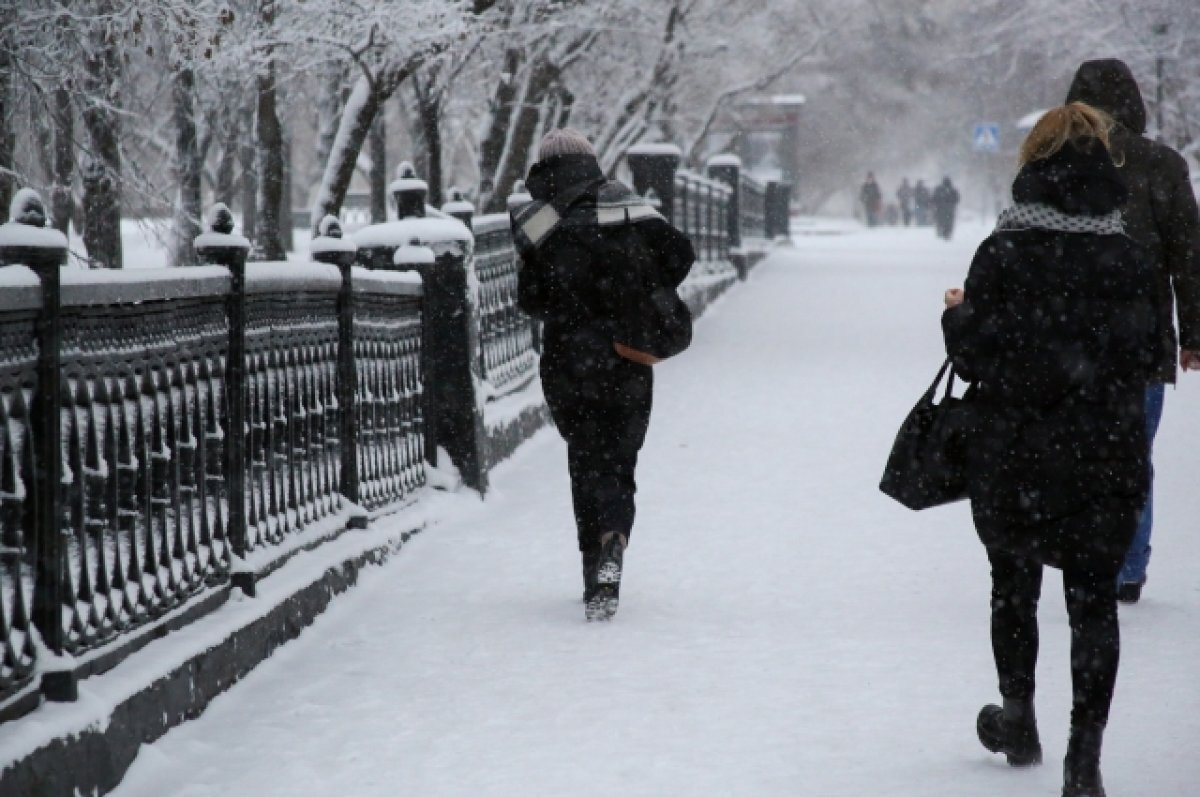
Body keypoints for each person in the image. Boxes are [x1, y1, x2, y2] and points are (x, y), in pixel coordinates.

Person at [942, 103, 1159, 797]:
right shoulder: (1127, 256)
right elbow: (1148, 356)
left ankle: (1019, 718)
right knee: (1092, 602)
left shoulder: (1004, 250)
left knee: (1014, 584)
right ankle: (1084, 760)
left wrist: (955, 315)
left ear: (1032, 165)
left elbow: (973, 357)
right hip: (1106, 453)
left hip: (1015, 451)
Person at [510, 128, 695, 622]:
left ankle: (594, 567)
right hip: (627, 355)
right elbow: (681, 254)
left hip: (569, 360)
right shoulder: (625, 204)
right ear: (590, 161)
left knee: (586, 456)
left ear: (545, 168)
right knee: (619, 457)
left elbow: (530, 298)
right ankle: (615, 537)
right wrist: (639, 290)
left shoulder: (538, 220)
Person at [1065, 58, 1200, 603]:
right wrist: (1193, 332)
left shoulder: (1056, 160)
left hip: (1067, 336)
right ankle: (1127, 567)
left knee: (1074, 448)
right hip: (1140, 334)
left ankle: (1086, 554)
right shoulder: (1159, 164)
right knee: (1132, 451)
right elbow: (1188, 255)